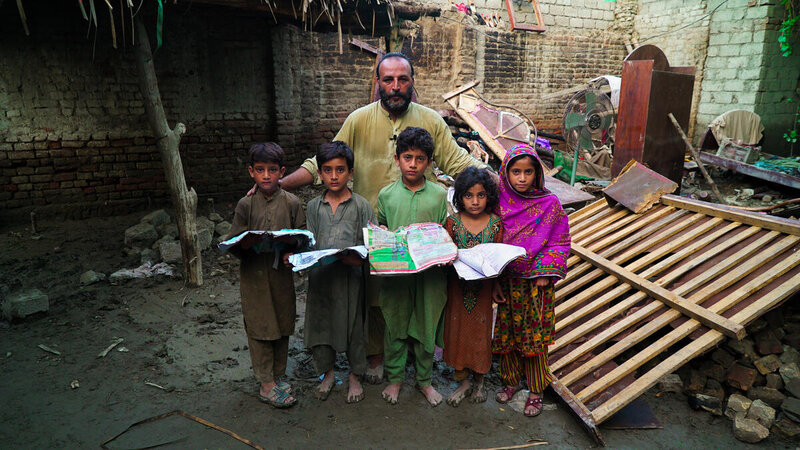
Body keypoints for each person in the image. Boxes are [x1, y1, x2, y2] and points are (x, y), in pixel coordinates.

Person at [284, 141, 375, 404]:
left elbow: (373, 244)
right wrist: (296, 257)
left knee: (354, 326)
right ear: (319, 174)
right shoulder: (313, 207)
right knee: (321, 325)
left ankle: (355, 376)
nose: (334, 176)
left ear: (351, 172)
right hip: (321, 279)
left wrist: (358, 258)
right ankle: (327, 374)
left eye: (340, 170)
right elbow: (308, 242)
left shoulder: (361, 206)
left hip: (352, 280)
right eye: (327, 170)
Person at [492, 143, 570, 417]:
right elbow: (493, 243)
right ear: (506, 173)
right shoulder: (498, 204)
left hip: (537, 286)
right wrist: (496, 281)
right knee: (508, 335)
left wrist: (545, 272)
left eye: (528, 172)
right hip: (509, 282)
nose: (522, 178)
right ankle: (511, 381)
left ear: (537, 173)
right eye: (516, 172)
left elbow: (559, 242)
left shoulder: (550, 205)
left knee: (534, 338)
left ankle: (536, 389)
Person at [225, 143, 306, 409]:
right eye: (260, 170)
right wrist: (244, 243)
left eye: (273, 170)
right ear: (251, 172)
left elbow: (303, 237)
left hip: (281, 276)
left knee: (282, 323)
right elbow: (232, 241)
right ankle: (265, 383)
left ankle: (277, 375)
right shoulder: (245, 205)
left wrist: (292, 249)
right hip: (254, 277)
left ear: (282, 171)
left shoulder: (292, 203)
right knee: (260, 326)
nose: (267, 176)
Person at [376, 127, 449, 406]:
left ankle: (424, 382)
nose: (413, 164)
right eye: (407, 157)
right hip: (395, 275)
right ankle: (394, 380)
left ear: (429, 162)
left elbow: (445, 231)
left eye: (420, 159)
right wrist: (381, 232)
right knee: (395, 324)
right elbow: (381, 227)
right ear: (397, 159)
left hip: (430, 276)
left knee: (426, 326)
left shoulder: (439, 196)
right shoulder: (386, 195)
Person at [442, 167, 503, 407]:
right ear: (459, 197)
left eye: (481, 195)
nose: (475, 201)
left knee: (480, 334)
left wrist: (497, 284)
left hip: (484, 292)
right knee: (457, 332)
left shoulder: (495, 224)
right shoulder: (452, 223)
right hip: (457, 290)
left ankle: (479, 381)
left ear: (489, 196)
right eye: (468, 196)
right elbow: (446, 255)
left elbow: (499, 258)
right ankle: (463, 381)